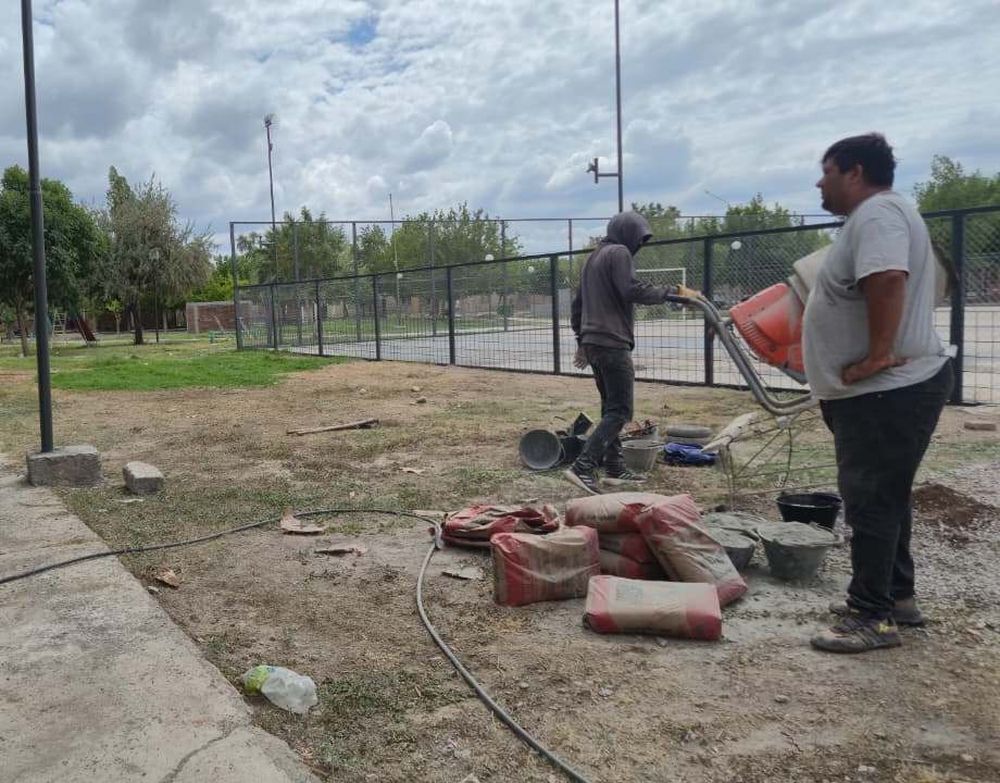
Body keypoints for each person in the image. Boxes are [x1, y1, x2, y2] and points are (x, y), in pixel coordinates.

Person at [804, 133, 953, 654]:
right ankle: (898, 597)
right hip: (882, 394)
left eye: (826, 171)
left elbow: (888, 279)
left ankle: (873, 616)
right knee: (885, 496)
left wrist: (876, 356)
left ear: (855, 172)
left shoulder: (878, 215)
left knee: (869, 499)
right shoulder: (877, 216)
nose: (818, 182)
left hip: (887, 391)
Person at [563, 211, 690, 495]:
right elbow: (631, 289)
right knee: (621, 411)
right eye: (639, 239)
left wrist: (582, 339)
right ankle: (582, 467)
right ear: (628, 234)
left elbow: (577, 306)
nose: (638, 246)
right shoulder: (619, 253)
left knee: (610, 408)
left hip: (595, 343)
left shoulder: (593, 258)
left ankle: (614, 468)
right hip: (612, 342)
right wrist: (673, 292)